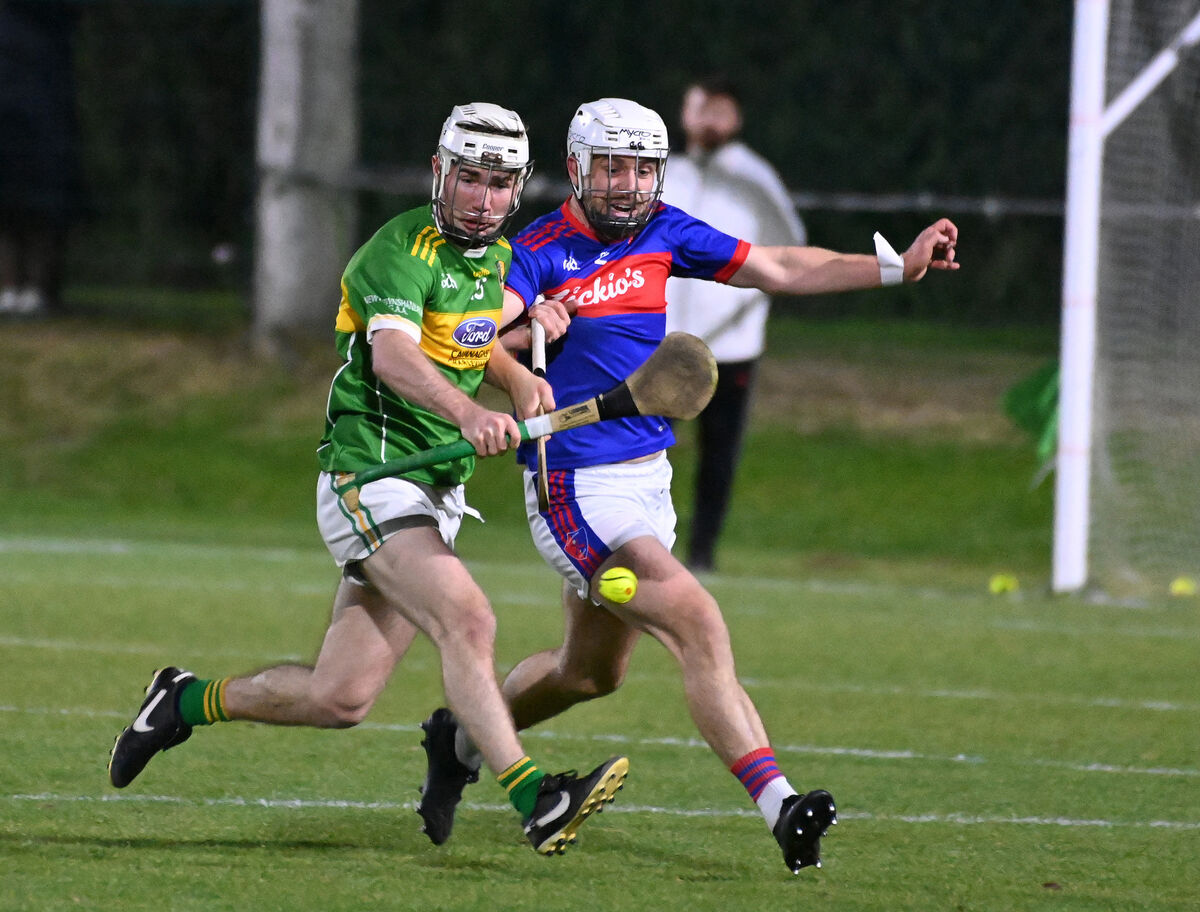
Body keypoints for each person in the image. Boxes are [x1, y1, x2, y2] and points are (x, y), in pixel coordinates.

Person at [415, 97, 958, 873]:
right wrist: (521, 342)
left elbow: (777, 266)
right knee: (698, 620)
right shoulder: (537, 252)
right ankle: (783, 809)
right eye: (612, 167)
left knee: (589, 674)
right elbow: (469, 337)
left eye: (642, 168)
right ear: (575, 168)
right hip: (577, 487)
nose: (629, 184)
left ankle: (461, 743)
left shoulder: (664, 231)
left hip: (648, 479)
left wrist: (896, 265)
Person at [106, 102, 628, 857]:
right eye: (470, 179)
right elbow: (395, 355)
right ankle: (535, 798)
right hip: (372, 474)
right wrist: (466, 412)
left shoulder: (494, 261)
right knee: (468, 620)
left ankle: (181, 702)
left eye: (498, 185)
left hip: (433, 489)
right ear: (439, 173)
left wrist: (517, 372)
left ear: (517, 191)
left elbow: (465, 343)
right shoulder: (398, 250)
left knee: (340, 697)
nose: (482, 199)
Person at [661, 76, 807, 572]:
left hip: (732, 346)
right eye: (698, 107)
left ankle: (702, 554)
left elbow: (791, 246)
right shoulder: (669, 173)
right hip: (665, 344)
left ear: (735, 118)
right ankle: (644, 541)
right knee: (643, 447)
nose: (707, 119)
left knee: (718, 455)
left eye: (718, 110)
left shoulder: (753, 177)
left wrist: (754, 296)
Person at [0, 0, 83, 317]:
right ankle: (10, 288)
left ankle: (36, 289)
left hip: (43, 94)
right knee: (10, 200)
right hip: (12, 91)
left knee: (43, 198)